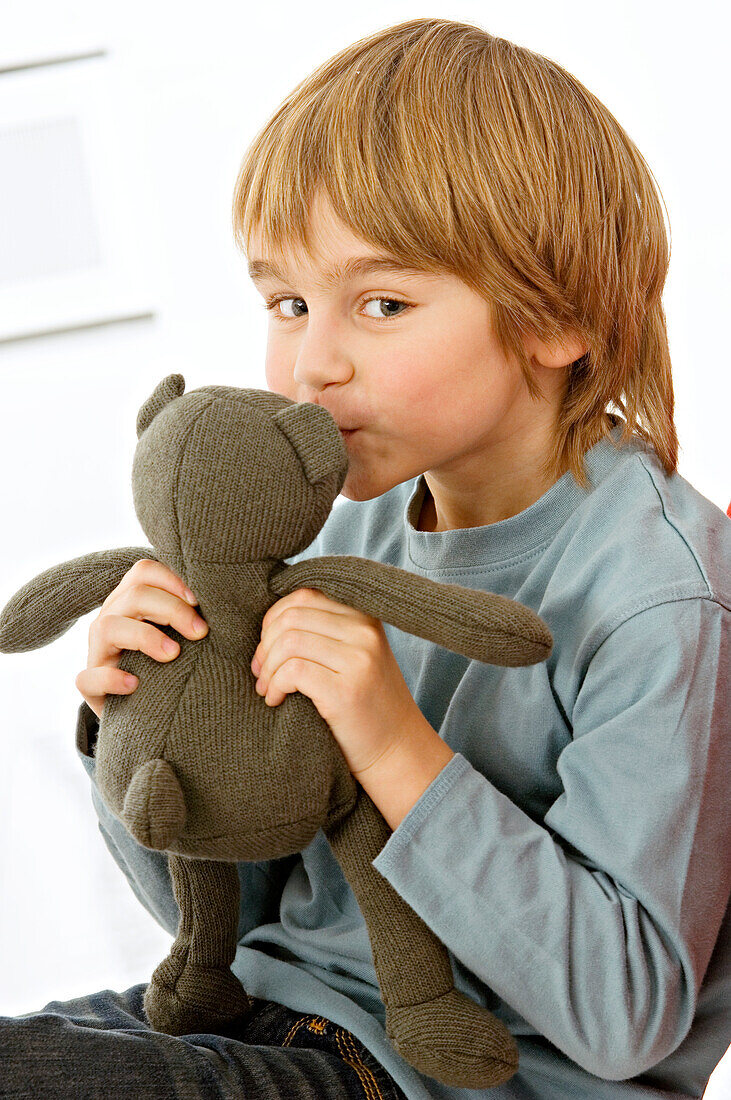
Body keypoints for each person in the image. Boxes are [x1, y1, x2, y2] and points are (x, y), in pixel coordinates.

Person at [2, 16, 729, 1100]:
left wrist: (394, 742)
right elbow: (232, 919)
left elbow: (623, 1015)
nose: (311, 363)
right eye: (286, 303)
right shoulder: (341, 528)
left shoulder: (656, 594)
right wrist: (141, 730)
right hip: (269, 1009)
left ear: (554, 315)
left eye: (379, 303)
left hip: (440, 1076)